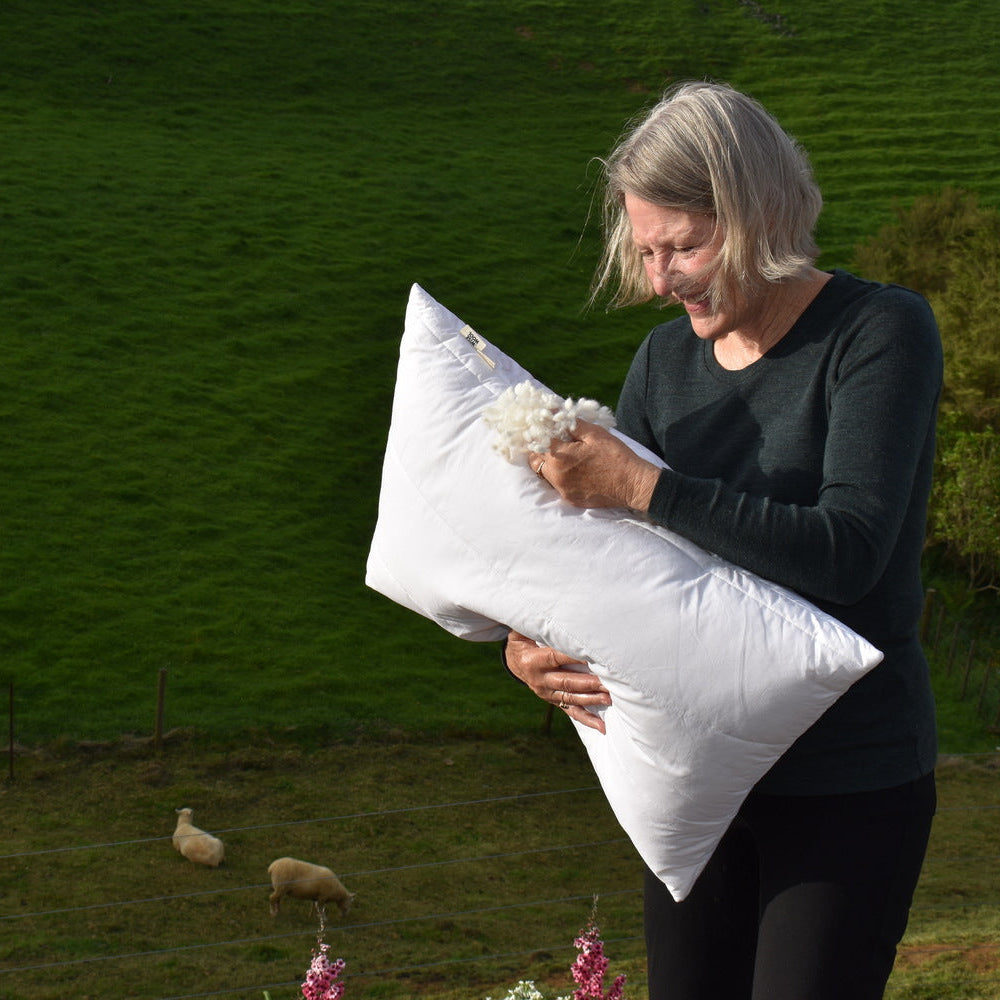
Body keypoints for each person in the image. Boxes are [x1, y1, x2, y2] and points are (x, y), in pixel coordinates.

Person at [503, 81, 941, 1000]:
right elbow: (627, 562)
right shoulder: (664, 362)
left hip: (847, 784)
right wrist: (532, 639)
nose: (661, 279)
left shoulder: (878, 333)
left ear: (757, 214)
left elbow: (848, 552)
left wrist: (643, 484)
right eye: (648, 249)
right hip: (696, 784)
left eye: (685, 246)